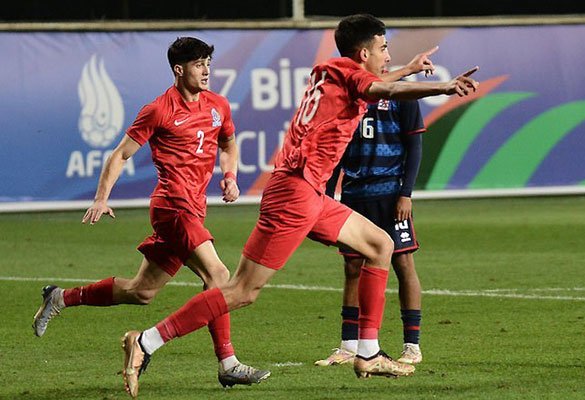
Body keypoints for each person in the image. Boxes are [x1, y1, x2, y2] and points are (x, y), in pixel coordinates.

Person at [119, 14, 478, 398]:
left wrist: (408, 68)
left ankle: (368, 351)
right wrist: (444, 85)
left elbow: (375, 84)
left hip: (308, 192)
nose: (388, 55)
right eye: (383, 48)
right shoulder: (356, 77)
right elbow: (384, 91)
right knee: (241, 290)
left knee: (380, 245)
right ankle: (147, 342)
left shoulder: (330, 70)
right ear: (363, 53)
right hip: (295, 196)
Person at [32, 37, 270, 391]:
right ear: (179, 69)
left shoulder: (218, 104)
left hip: (194, 210)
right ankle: (227, 363)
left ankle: (60, 297)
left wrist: (230, 176)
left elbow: (228, 143)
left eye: (208, 62)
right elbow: (119, 155)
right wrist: (101, 198)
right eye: (198, 64)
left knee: (141, 291)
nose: (206, 70)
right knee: (219, 276)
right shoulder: (159, 109)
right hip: (172, 207)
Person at [316, 93, 425, 367]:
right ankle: (349, 345)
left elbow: (415, 145)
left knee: (403, 263)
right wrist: (327, 195)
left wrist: (406, 193)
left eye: (385, 48)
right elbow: (338, 150)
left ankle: (412, 346)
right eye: (381, 48)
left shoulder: (402, 96)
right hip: (354, 195)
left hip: (390, 195)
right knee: (352, 268)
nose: (384, 56)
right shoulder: (348, 97)